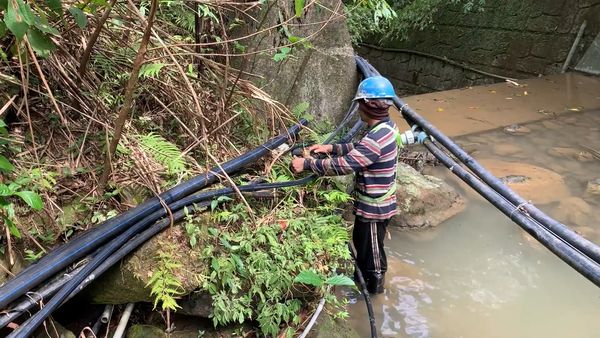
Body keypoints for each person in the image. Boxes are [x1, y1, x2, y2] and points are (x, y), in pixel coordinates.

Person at [290, 76, 427, 294]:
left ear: (367, 106)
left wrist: (306, 163)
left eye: (360, 103)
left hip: (375, 208)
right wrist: (331, 148)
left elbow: (346, 164)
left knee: (371, 252)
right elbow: (360, 148)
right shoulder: (386, 128)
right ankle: (362, 280)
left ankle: (374, 292)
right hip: (374, 204)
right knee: (363, 244)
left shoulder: (376, 138)